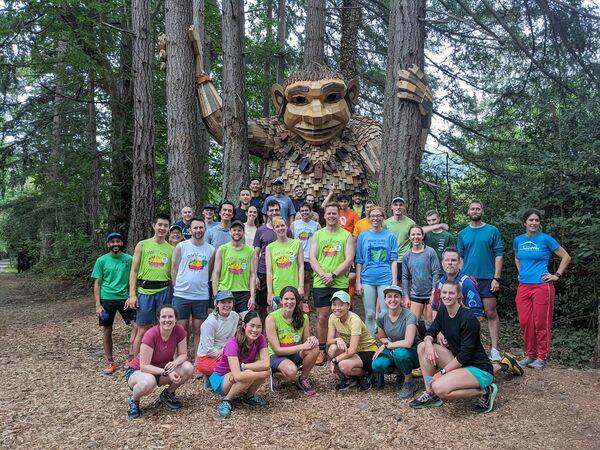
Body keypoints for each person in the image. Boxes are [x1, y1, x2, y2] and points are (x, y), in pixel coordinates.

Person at [409, 280, 498, 413]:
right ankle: (430, 394)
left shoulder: (468, 318)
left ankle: (485, 391)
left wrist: (442, 372)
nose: (447, 296)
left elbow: (465, 355)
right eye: (444, 292)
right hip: (459, 362)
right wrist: (428, 343)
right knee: (422, 346)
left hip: (478, 368)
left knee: (440, 388)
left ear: (459, 296)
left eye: (451, 293)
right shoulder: (444, 310)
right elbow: (431, 331)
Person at [513, 208, 571, 369]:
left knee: (541, 322)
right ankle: (530, 355)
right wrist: (521, 272)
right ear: (525, 222)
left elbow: (566, 256)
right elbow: (517, 257)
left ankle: (542, 357)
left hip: (542, 286)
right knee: (526, 322)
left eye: (536, 220)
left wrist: (557, 275)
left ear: (539, 223)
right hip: (524, 286)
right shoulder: (518, 240)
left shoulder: (546, 239)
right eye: (530, 220)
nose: (533, 223)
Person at [125, 305, 194, 419]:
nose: (167, 320)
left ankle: (168, 394)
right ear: (159, 319)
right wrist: (166, 372)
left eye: (170, 317)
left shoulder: (179, 331)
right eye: (164, 317)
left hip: (162, 370)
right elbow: (144, 366)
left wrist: (175, 363)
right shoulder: (151, 334)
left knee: (188, 367)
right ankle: (134, 400)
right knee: (148, 382)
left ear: (176, 319)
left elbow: (183, 354)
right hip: (138, 372)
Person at [457, 200, 503, 361]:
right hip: (469, 280)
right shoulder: (463, 233)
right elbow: (460, 257)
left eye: (478, 208)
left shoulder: (492, 230)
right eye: (472, 209)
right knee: (469, 316)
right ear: (468, 212)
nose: (475, 211)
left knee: (490, 312)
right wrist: (461, 278)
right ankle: (471, 349)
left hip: (488, 278)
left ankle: (495, 349)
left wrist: (496, 278)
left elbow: (498, 254)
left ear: (482, 211)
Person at [310, 203, 355, 366]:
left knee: (341, 316)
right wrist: (323, 275)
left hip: (339, 282)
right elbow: (312, 257)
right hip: (321, 283)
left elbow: (349, 258)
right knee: (322, 317)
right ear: (324, 215)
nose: (331, 216)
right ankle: (322, 349)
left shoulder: (346, 235)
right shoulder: (318, 235)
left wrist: (333, 275)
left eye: (334, 213)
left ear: (338, 215)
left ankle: (340, 347)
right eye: (328, 213)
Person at [127, 213, 173, 356]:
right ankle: (136, 362)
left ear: (169, 228)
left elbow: (173, 273)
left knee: (162, 328)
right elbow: (133, 271)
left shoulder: (171, 249)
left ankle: (157, 359)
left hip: (164, 291)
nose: (162, 228)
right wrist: (132, 295)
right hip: (145, 291)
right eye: (160, 225)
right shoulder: (142, 245)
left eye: (165, 226)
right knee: (142, 329)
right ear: (153, 226)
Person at [209, 311, 270, 418]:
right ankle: (226, 400)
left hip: (240, 371)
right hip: (220, 379)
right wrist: (261, 374)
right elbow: (237, 375)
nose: (255, 330)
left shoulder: (261, 339)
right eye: (252, 326)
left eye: (259, 327)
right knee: (251, 374)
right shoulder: (233, 343)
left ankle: (249, 397)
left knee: (252, 372)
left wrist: (244, 366)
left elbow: (266, 363)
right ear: (244, 325)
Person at [91, 231, 135, 374]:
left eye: (118, 241)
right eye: (112, 242)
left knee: (136, 327)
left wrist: (132, 295)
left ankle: (131, 358)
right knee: (107, 329)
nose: (115, 244)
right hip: (106, 299)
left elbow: (133, 278)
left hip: (125, 298)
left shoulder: (129, 259)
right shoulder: (101, 260)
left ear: (122, 243)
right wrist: (98, 305)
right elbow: (97, 283)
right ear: (108, 244)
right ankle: (110, 362)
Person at [171, 218, 215, 355]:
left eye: (201, 228)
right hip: (181, 294)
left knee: (199, 329)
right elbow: (174, 269)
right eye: (195, 228)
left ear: (205, 229)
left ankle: (198, 359)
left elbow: (209, 272)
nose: (198, 230)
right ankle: (180, 357)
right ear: (190, 230)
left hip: (201, 295)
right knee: (181, 329)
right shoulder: (182, 246)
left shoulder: (211, 250)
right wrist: (176, 287)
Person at [265, 287, 319, 394]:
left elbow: (306, 341)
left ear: (297, 301)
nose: (289, 302)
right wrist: (302, 347)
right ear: (281, 300)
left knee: (314, 348)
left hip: (294, 354)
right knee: (291, 371)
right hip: (276, 356)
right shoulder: (272, 318)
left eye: (292, 299)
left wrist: (312, 340)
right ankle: (275, 375)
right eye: (286, 299)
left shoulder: (304, 317)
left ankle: (303, 378)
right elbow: (277, 350)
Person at [355, 206, 398, 336]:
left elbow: (393, 259)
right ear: (368, 218)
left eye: (378, 215)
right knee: (370, 314)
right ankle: (371, 344)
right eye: (372, 216)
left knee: (385, 312)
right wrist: (358, 281)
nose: (375, 218)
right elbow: (359, 260)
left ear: (382, 217)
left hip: (385, 278)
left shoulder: (390, 236)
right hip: (367, 278)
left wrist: (394, 281)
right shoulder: (363, 236)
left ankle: (385, 341)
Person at [371, 285, 420, 398]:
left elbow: (408, 342)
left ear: (401, 299)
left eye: (396, 296)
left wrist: (388, 345)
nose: (393, 300)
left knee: (400, 353)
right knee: (377, 365)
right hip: (393, 349)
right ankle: (402, 373)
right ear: (385, 300)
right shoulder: (382, 316)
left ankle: (409, 382)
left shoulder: (409, 315)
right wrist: (386, 343)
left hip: (411, 351)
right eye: (389, 297)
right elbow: (381, 337)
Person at [327, 291, 378, 390]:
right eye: (334, 304)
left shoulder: (354, 320)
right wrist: (337, 339)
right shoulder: (332, 317)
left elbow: (352, 350)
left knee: (343, 365)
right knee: (332, 349)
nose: (337, 308)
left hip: (368, 350)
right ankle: (350, 378)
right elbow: (329, 340)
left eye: (341, 305)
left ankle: (367, 374)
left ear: (348, 305)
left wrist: (335, 360)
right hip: (354, 350)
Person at [253, 200, 290, 322]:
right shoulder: (261, 230)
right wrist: (255, 275)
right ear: (266, 212)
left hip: (283, 272)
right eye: (271, 210)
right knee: (263, 306)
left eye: (276, 210)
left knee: (282, 303)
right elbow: (256, 254)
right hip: (264, 271)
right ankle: (262, 333)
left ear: (280, 210)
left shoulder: (286, 229)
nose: (274, 212)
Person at [212, 221, 256, 316]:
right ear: (230, 232)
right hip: (225, 290)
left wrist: (252, 296)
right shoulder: (222, 249)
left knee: (245, 321)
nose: (237, 232)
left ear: (243, 233)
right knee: (225, 323)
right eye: (234, 230)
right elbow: (216, 273)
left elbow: (253, 275)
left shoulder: (250, 251)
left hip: (243, 291)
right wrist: (216, 296)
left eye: (239, 230)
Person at [402, 225, 441, 325]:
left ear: (422, 236)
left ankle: (431, 340)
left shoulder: (430, 252)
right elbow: (405, 277)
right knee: (412, 323)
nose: (416, 237)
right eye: (413, 234)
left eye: (418, 234)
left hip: (430, 294)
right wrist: (406, 296)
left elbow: (436, 273)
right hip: (415, 294)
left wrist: (434, 293)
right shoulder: (407, 256)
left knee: (431, 323)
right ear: (409, 237)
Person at [195, 291, 240, 377]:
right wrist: (224, 352)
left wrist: (226, 350)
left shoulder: (235, 316)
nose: (226, 305)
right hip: (207, 356)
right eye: (223, 302)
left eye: (229, 302)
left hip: (224, 351)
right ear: (217, 304)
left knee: (240, 364)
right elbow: (208, 349)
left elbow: (231, 337)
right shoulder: (210, 322)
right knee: (232, 367)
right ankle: (212, 380)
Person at [432, 247, 484, 320]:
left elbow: (478, 315)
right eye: (447, 260)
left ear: (459, 263)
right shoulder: (439, 283)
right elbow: (435, 308)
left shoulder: (467, 283)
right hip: (443, 326)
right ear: (442, 263)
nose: (450, 263)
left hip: (462, 328)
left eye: (453, 260)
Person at [266, 217, 304, 306]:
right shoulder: (270, 247)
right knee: (278, 316)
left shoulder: (297, 244)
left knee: (294, 315)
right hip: (277, 288)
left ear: (287, 227)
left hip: (294, 286)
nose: (280, 228)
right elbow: (269, 271)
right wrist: (270, 292)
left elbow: (301, 266)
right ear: (274, 229)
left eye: (282, 225)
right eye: (277, 226)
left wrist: (301, 286)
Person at [291, 202, 321, 311]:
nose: (304, 213)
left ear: (311, 211)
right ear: (299, 212)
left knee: (307, 277)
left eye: (306, 210)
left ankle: (305, 300)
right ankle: (296, 298)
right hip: (297, 255)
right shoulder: (295, 224)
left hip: (309, 255)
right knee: (298, 277)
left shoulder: (316, 225)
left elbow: (320, 240)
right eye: (302, 211)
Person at [383, 196, 416, 280]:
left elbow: (415, 241)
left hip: (405, 259)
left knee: (404, 284)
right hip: (389, 258)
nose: (398, 207)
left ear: (404, 207)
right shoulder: (385, 223)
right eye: (396, 205)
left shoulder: (411, 223)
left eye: (401, 205)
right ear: (392, 207)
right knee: (391, 284)